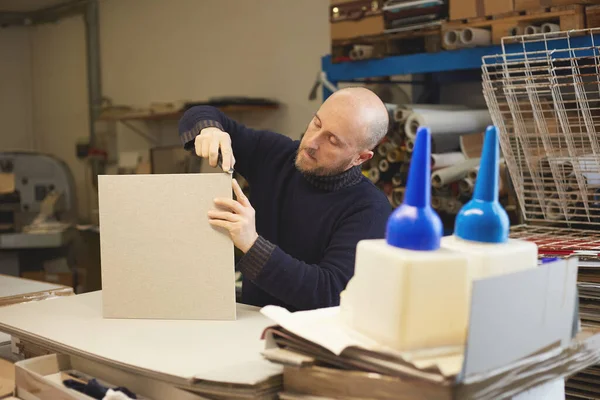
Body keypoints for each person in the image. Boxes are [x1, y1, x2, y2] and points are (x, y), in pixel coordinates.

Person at [178, 87, 392, 311]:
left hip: (310, 337)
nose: (311, 143)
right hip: (250, 321)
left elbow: (329, 293)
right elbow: (199, 113)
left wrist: (252, 244)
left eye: (332, 140)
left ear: (361, 157)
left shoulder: (369, 209)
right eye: (317, 123)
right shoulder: (276, 155)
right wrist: (210, 129)